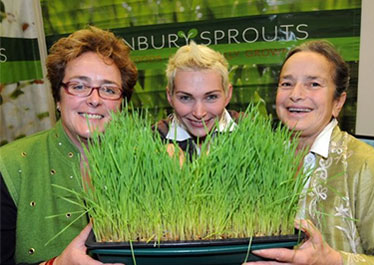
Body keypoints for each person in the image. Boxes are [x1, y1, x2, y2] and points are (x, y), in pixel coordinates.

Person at [245, 40, 374, 265]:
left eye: (314, 84)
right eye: (286, 83)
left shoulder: (373, 169)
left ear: (338, 102)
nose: (296, 95)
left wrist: (331, 260)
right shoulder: (256, 164)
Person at [0, 26, 137, 265]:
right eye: (79, 86)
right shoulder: (9, 166)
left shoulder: (145, 167)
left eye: (108, 89)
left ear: (121, 104)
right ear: (58, 97)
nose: (94, 100)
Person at [155, 41, 239, 159]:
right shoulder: (153, 139)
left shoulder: (251, 131)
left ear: (228, 94)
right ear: (170, 97)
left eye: (211, 97)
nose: (199, 113)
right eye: (185, 98)